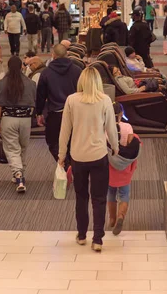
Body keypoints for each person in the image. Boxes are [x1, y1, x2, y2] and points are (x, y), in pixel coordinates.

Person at [58, 67, 119, 252]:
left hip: (78, 156)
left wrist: (62, 155)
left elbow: (65, 131)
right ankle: (98, 239)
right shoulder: (105, 100)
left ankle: (82, 235)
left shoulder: (71, 100)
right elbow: (111, 128)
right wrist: (115, 147)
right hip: (99, 155)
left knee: (81, 197)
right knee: (99, 198)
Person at [36, 44, 82, 172]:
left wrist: (39, 113)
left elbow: (40, 95)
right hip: (75, 113)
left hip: (55, 114)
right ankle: (73, 163)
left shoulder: (46, 72)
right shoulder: (77, 70)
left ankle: (66, 164)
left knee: (52, 142)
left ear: (53, 55)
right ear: (67, 54)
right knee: (74, 141)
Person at [0, 56, 36, 193]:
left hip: (8, 119)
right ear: (22, 67)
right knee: (23, 146)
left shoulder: (2, 83)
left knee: (12, 148)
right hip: (25, 119)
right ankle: (19, 171)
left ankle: (18, 174)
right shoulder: (30, 83)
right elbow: (34, 102)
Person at [108, 101, 138, 236]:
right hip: (124, 167)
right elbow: (131, 148)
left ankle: (112, 219)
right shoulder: (128, 127)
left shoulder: (104, 128)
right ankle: (121, 216)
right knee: (124, 194)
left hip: (110, 167)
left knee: (110, 193)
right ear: (121, 113)